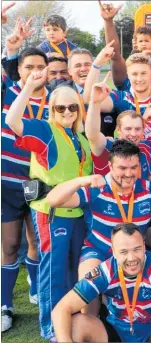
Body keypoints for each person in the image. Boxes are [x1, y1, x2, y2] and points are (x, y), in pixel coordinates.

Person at [45, 139, 151, 313]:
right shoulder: (98, 188)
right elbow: (53, 200)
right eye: (122, 168)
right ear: (110, 166)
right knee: (87, 283)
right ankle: (93, 321)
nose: (129, 174)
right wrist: (81, 181)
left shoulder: (149, 189)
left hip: (135, 250)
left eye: (134, 167)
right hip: (100, 249)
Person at [6, 71, 93, 340]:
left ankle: (70, 316)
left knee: (72, 268)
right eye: (60, 107)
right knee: (53, 270)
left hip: (78, 213)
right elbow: (12, 121)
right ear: (52, 110)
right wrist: (30, 86)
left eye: (72, 106)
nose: (67, 111)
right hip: (52, 215)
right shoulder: (45, 131)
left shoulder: (81, 136)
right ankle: (51, 326)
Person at [84, 49, 151, 222]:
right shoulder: (122, 97)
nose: (139, 78)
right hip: (131, 168)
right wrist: (96, 64)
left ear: (150, 73)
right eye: (134, 74)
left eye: (143, 73)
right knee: (133, 220)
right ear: (128, 76)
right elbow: (90, 99)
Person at [51, 223, 151, 343]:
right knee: (77, 324)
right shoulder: (105, 271)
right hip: (116, 333)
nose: (131, 258)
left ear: (144, 247)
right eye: (124, 252)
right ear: (113, 252)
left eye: (137, 249)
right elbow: (61, 308)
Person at [1, 47, 48, 333]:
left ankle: (36, 292)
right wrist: (10, 47)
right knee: (8, 246)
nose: (35, 71)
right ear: (18, 69)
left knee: (36, 243)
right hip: (7, 182)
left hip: (37, 182)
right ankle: (5, 305)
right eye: (28, 66)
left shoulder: (55, 99)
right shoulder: (7, 93)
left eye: (40, 66)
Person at [84, 76, 151, 196]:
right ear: (118, 130)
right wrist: (95, 102)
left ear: (143, 130)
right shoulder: (106, 146)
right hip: (106, 209)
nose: (133, 134)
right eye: (128, 129)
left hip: (137, 210)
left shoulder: (145, 149)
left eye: (137, 129)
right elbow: (92, 134)